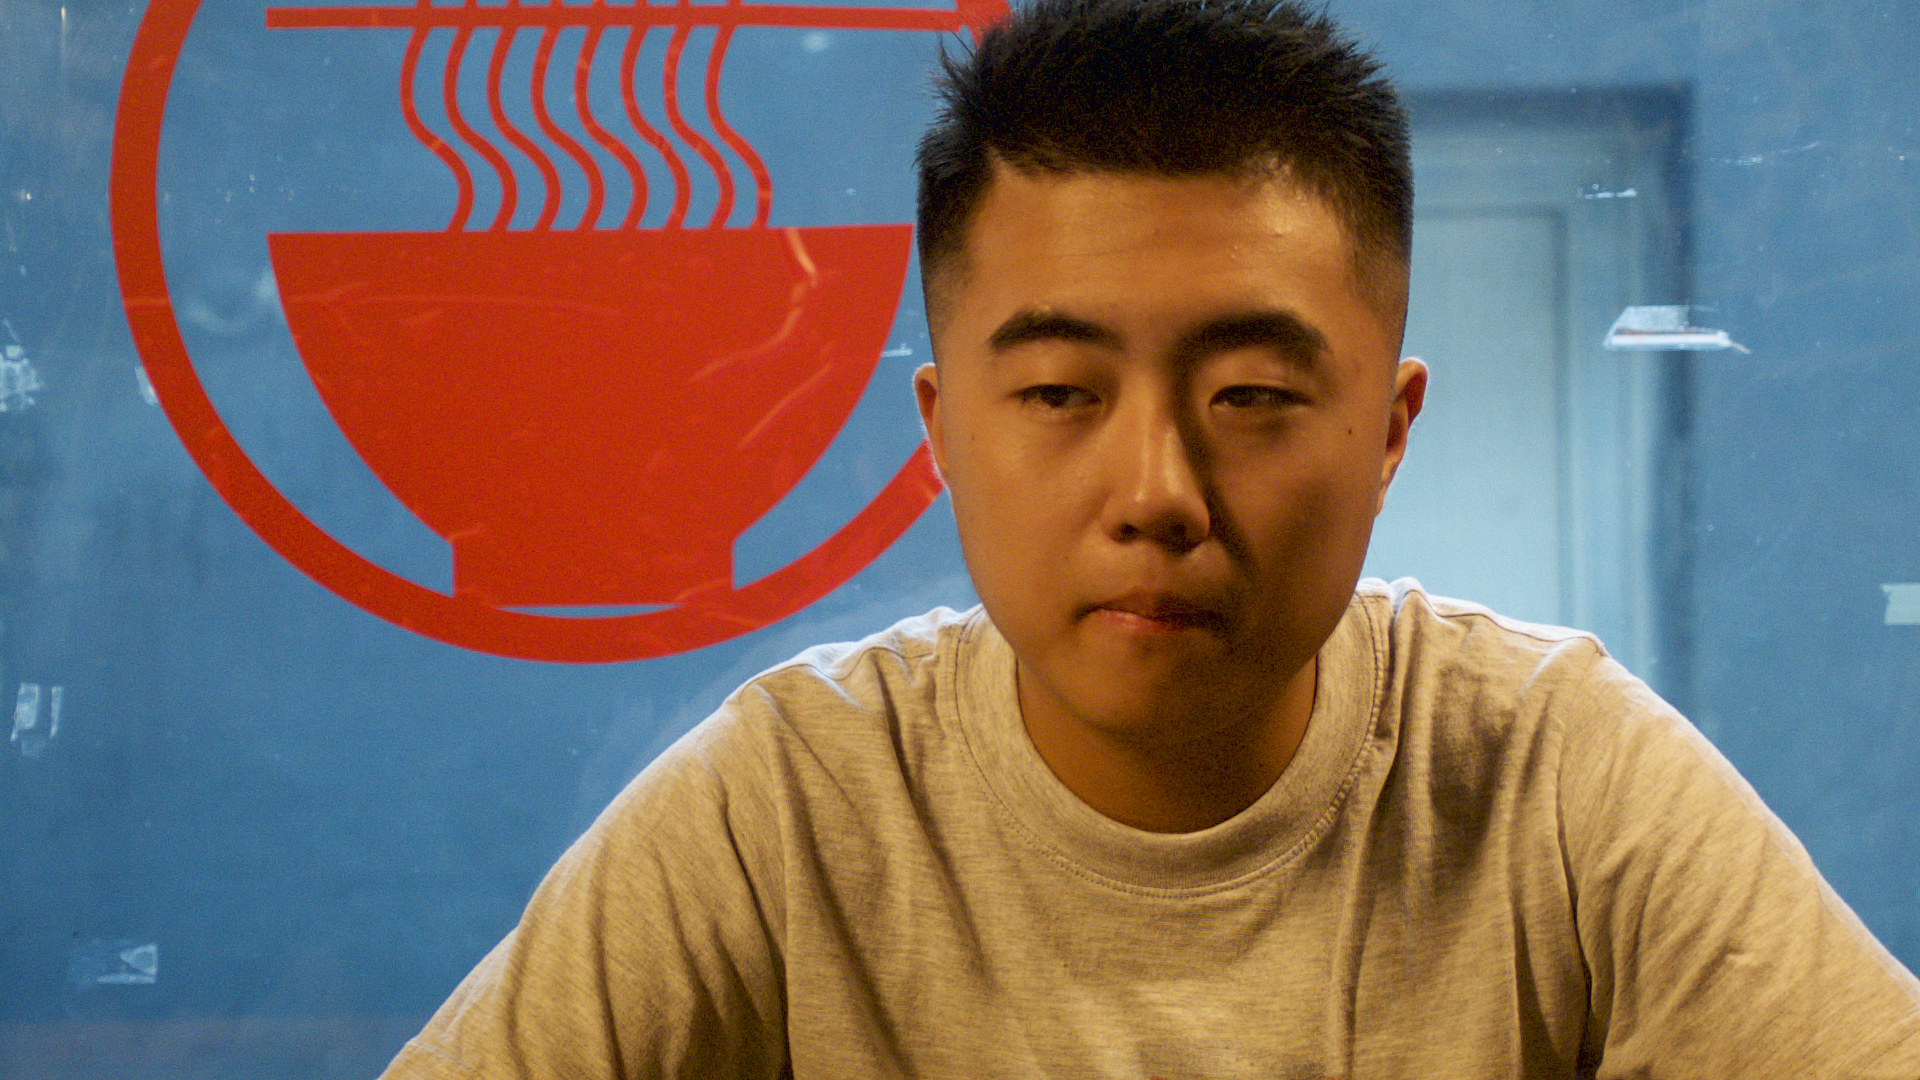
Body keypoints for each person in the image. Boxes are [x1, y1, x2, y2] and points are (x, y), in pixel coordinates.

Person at [380, 0, 1920, 1075]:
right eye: (1060, 392)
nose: (1157, 489)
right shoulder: (787, 810)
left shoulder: (1558, 782)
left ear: (1389, 432)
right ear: (941, 432)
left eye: (1252, 395)